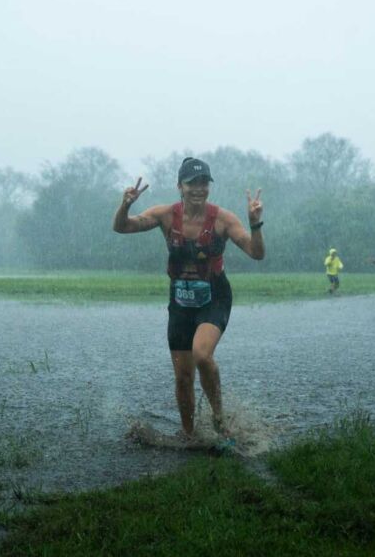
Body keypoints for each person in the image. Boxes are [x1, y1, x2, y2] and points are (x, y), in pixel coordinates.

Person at [112, 157, 265, 439]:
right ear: (179, 186)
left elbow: (256, 253)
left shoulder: (223, 219)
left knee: (202, 355)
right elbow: (122, 227)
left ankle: (219, 419)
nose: (198, 188)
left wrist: (255, 224)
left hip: (214, 297)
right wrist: (126, 205)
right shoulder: (166, 215)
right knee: (183, 376)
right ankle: (189, 434)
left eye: (203, 183)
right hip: (180, 301)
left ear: (209, 186)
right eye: (191, 183)